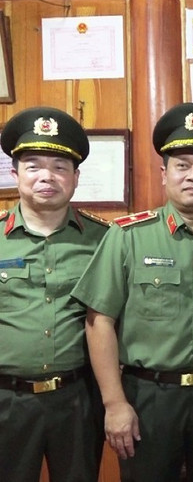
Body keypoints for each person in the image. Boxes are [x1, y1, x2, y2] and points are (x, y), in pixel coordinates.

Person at [71, 102, 193, 482]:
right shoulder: (129, 236)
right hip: (148, 398)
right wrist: (114, 404)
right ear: (164, 174)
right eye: (182, 166)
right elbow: (99, 322)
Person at [0, 107, 109, 481]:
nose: (47, 175)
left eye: (60, 166)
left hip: (77, 398)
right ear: (15, 174)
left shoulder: (105, 240)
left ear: (76, 178)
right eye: (33, 165)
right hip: (6, 401)